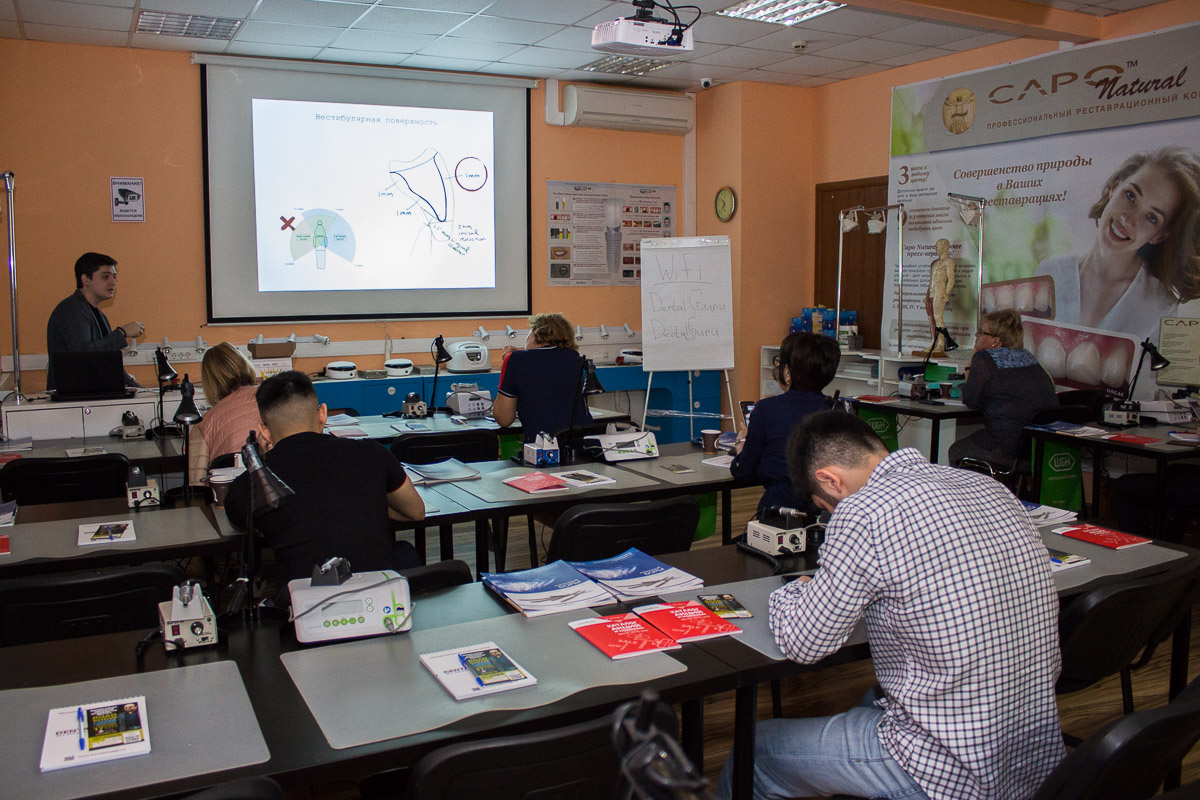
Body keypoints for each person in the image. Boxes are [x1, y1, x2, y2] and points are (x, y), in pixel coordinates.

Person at [718, 411, 1064, 800]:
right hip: (1030, 754)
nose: (831, 514)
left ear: (830, 480)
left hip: (949, 770)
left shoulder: (862, 511)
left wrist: (793, 590)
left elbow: (805, 643)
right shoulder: (989, 487)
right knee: (871, 699)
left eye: (825, 507)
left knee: (756, 750)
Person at [224, 371, 425, 586]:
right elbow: (416, 512)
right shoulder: (372, 453)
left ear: (264, 431)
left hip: (306, 607)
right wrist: (365, 502)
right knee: (405, 552)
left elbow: (240, 522)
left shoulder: (255, 482)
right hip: (382, 600)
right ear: (322, 414)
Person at [1034, 146, 1200, 344]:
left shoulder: (1160, 307)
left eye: (1151, 217)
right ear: (1114, 187)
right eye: (1131, 196)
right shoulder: (1049, 273)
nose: (1128, 219)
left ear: (1160, 236)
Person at [730, 332, 839, 517]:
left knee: (733, 545)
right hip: (824, 519)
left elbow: (743, 471)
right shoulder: (835, 412)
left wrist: (742, 447)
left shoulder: (767, 409)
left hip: (779, 514)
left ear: (787, 372)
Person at [949, 309, 1058, 467]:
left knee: (957, 450)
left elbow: (970, 399)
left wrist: (974, 355)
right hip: (1039, 449)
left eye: (981, 332)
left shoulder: (984, 359)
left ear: (996, 341)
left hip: (1009, 447)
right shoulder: (1028, 356)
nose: (976, 336)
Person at [45, 252, 145, 390]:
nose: (113, 282)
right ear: (85, 279)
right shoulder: (72, 310)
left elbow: (110, 364)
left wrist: (141, 390)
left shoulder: (98, 315)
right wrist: (121, 333)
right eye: (105, 277)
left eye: (114, 276)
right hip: (73, 401)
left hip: (89, 396)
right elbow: (83, 356)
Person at [493, 313, 592, 444]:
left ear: (535, 334)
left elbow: (504, 419)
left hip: (543, 448)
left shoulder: (515, 360)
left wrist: (507, 363)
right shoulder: (575, 358)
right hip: (580, 444)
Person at [187, 343, 262, 483]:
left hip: (230, 497)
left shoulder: (203, 424)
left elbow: (196, 483)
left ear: (210, 382)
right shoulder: (273, 399)